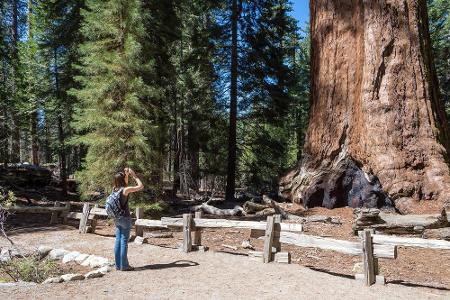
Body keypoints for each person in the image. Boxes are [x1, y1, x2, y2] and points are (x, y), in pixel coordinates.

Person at [113, 167, 144, 271]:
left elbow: (124, 183)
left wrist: (126, 174)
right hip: (125, 218)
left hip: (116, 217)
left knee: (118, 240)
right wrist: (134, 175)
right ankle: (125, 266)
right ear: (122, 180)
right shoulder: (125, 190)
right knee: (124, 241)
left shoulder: (115, 189)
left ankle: (118, 265)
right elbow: (140, 186)